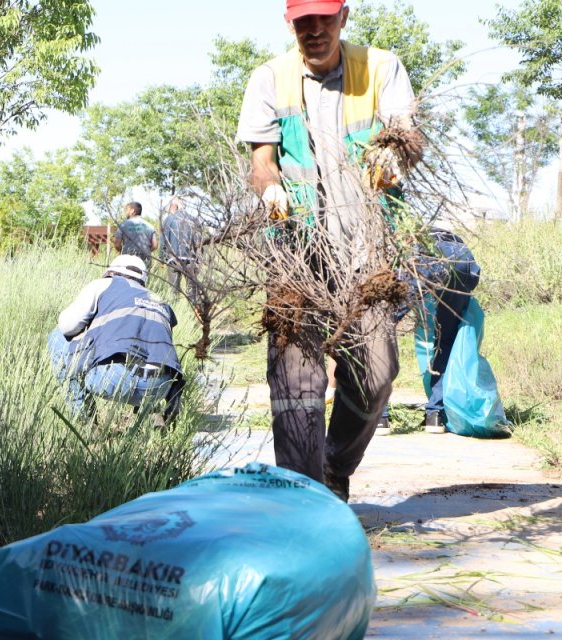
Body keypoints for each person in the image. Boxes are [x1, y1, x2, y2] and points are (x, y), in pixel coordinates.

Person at [236, 0, 418, 500]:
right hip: (296, 254)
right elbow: (261, 161)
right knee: (296, 383)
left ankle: (335, 464)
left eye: (323, 18)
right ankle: (302, 497)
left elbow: (409, 137)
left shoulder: (382, 68)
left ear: (343, 16)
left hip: (368, 250)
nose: (313, 31)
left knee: (378, 371)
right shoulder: (270, 78)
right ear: (289, 22)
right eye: (302, 21)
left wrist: (393, 151)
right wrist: (269, 188)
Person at [48, 254, 183, 421]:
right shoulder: (161, 302)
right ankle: (152, 411)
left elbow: (67, 327)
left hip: (115, 380)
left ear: (111, 273)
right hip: (159, 387)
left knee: (57, 337)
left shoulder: (104, 284)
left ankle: (86, 423)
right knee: (146, 352)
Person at [413, 225, 482, 433]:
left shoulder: (408, 236)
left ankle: (379, 417)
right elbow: (472, 277)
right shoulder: (456, 242)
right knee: (446, 341)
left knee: (382, 335)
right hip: (462, 263)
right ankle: (435, 415)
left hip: (421, 257)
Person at [159, 197, 203, 296]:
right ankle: (194, 309)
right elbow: (198, 243)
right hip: (190, 259)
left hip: (173, 259)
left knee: (174, 290)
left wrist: (161, 257)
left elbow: (163, 241)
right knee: (192, 291)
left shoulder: (169, 219)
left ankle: (175, 308)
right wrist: (199, 259)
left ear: (175, 206)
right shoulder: (195, 220)